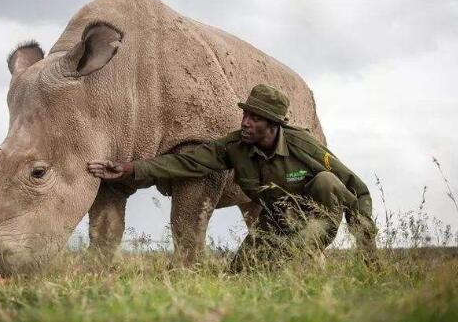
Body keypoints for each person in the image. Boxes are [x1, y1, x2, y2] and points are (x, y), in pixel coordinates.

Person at [87, 84, 377, 270]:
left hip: (316, 220)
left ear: (273, 125)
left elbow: (355, 187)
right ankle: (283, 261)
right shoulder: (235, 146)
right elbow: (188, 161)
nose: (245, 122)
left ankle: (301, 258)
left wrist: (368, 249)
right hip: (275, 222)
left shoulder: (302, 145)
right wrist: (131, 169)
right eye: (246, 114)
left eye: (254, 117)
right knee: (238, 276)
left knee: (327, 181)